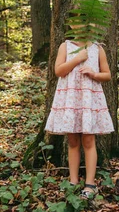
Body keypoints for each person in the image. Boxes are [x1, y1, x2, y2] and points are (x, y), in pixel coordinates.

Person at [44, 30, 114, 199]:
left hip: (88, 99)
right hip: (70, 100)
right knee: (73, 140)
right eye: (78, 22)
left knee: (89, 140)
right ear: (72, 25)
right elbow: (59, 71)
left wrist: (94, 73)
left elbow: (108, 75)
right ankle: (73, 180)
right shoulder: (65, 46)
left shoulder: (97, 48)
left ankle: (90, 184)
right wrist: (77, 58)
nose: (82, 26)